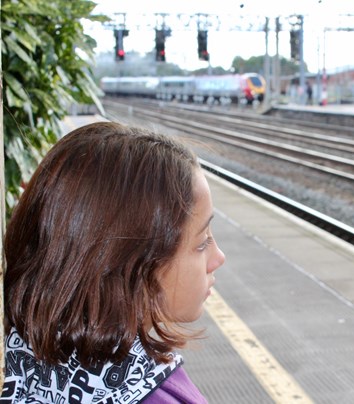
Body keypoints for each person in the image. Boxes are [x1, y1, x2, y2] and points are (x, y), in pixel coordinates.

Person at [2, 121, 225, 403]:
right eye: (202, 242)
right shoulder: (151, 394)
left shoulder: (23, 358)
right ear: (129, 266)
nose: (218, 257)